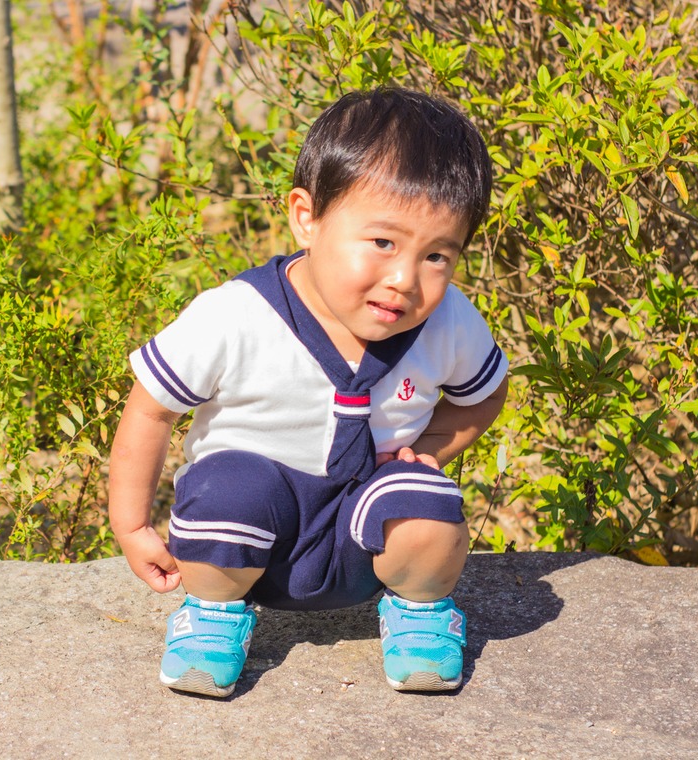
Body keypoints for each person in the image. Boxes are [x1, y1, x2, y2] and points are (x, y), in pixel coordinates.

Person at [108, 87, 508, 698]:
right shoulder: (235, 316)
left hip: (364, 532)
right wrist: (133, 525)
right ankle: (212, 616)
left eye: (436, 256)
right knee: (227, 488)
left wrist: (428, 448)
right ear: (307, 216)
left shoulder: (448, 319)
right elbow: (152, 407)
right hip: (248, 544)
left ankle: (420, 612)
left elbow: (484, 394)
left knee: (428, 503)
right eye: (383, 242)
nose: (404, 279)